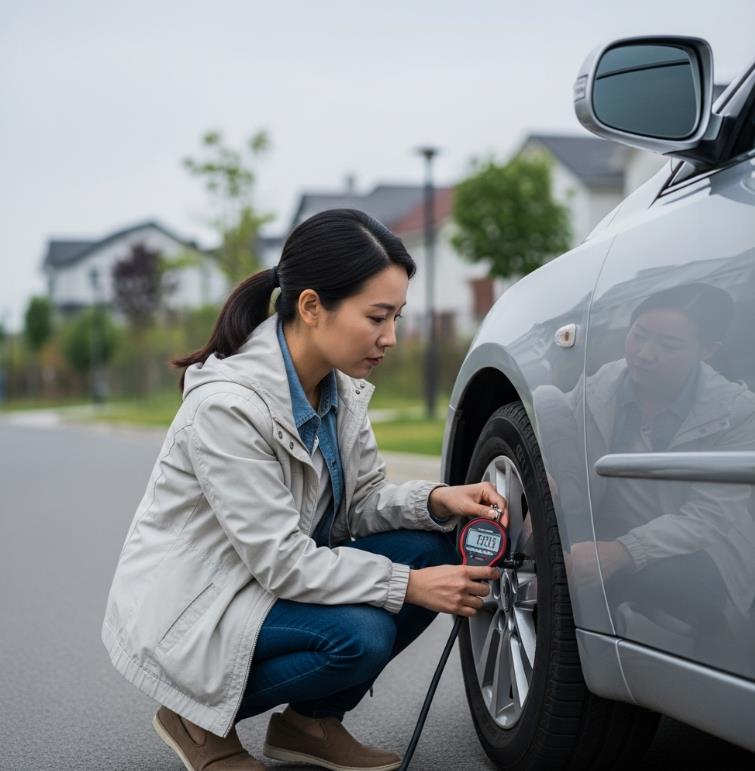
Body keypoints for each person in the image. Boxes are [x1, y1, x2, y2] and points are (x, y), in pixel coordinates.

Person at [101, 208, 509, 771]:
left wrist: (437, 500)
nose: (390, 337)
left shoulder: (338, 390)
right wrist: (409, 586)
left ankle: (308, 726)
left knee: (436, 547)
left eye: (397, 317)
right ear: (313, 307)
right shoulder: (228, 408)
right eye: (377, 317)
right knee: (361, 633)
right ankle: (192, 718)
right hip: (205, 607)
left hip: (268, 582)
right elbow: (283, 563)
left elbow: (361, 505)